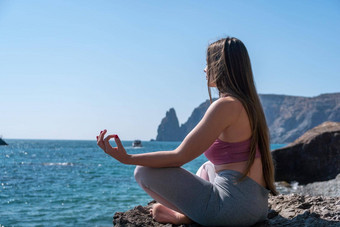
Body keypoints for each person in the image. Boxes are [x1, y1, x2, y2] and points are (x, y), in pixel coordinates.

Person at [96, 37, 277, 226]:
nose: (205, 69)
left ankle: (182, 217)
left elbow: (179, 156)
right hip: (257, 206)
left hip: (232, 212)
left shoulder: (226, 106)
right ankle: (194, 213)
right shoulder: (249, 105)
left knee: (142, 171)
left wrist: (128, 158)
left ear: (221, 66)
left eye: (208, 63)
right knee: (207, 167)